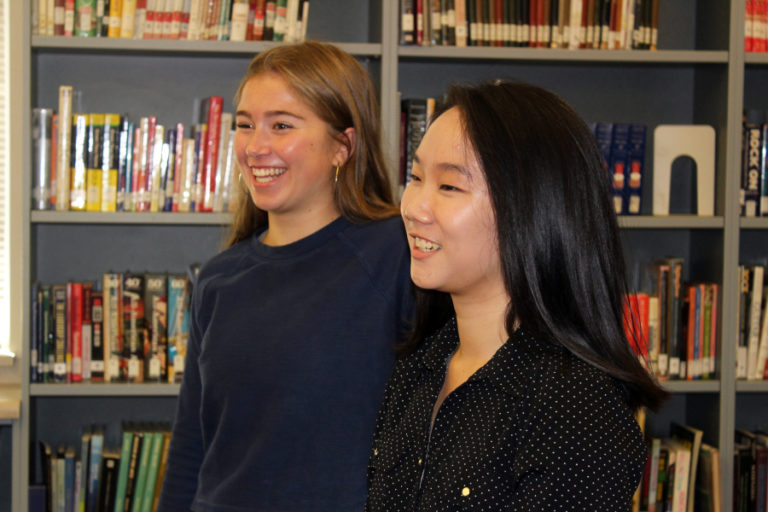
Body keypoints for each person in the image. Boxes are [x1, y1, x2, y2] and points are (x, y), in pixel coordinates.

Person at [365, 80, 668, 511]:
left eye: (449, 187)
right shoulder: (421, 368)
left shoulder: (576, 411)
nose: (413, 206)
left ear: (528, 209)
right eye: (414, 178)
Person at [157, 41, 413, 512]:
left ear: (343, 145)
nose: (255, 147)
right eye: (245, 125)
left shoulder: (397, 254)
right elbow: (193, 442)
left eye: (281, 125)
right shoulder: (218, 279)